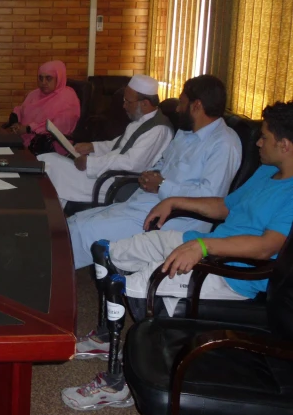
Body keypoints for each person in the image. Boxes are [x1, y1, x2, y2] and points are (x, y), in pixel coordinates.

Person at [62, 101, 293, 411]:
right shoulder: (267, 172)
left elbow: (267, 247)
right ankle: (107, 335)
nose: (259, 142)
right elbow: (225, 207)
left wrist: (204, 248)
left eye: (264, 137)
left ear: (286, 145)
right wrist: (174, 201)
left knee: (132, 285)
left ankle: (116, 384)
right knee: (109, 253)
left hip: (231, 274)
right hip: (203, 244)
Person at [68, 75, 242, 270]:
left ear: (197, 106)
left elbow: (211, 198)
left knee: (85, 231)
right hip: (147, 203)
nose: (177, 109)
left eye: (182, 103)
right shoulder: (186, 132)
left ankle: (54, 279)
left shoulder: (224, 145)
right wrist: (151, 174)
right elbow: (164, 161)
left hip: (175, 221)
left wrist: (162, 185)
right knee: (75, 222)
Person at [40, 74, 174, 207]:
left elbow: (131, 163)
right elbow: (118, 145)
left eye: (128, 102)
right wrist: (92, 147)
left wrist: (91, 163)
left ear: (145, 104)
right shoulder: (141, 120)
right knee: (48, 160)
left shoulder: (158, 130)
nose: (124, 106)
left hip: (115, 181)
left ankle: (51, 218)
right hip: (106, 171)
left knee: (52, 169)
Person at [4, 60, 81, 150]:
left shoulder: (67, 98)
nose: (43, 82)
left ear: (59, 78)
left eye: (48, 78)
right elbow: (21, 110)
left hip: (50, 146)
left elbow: (57, 127)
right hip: (25, 140)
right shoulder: (34, 94)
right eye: (40, 78)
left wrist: (29, 128)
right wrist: (16, 122)